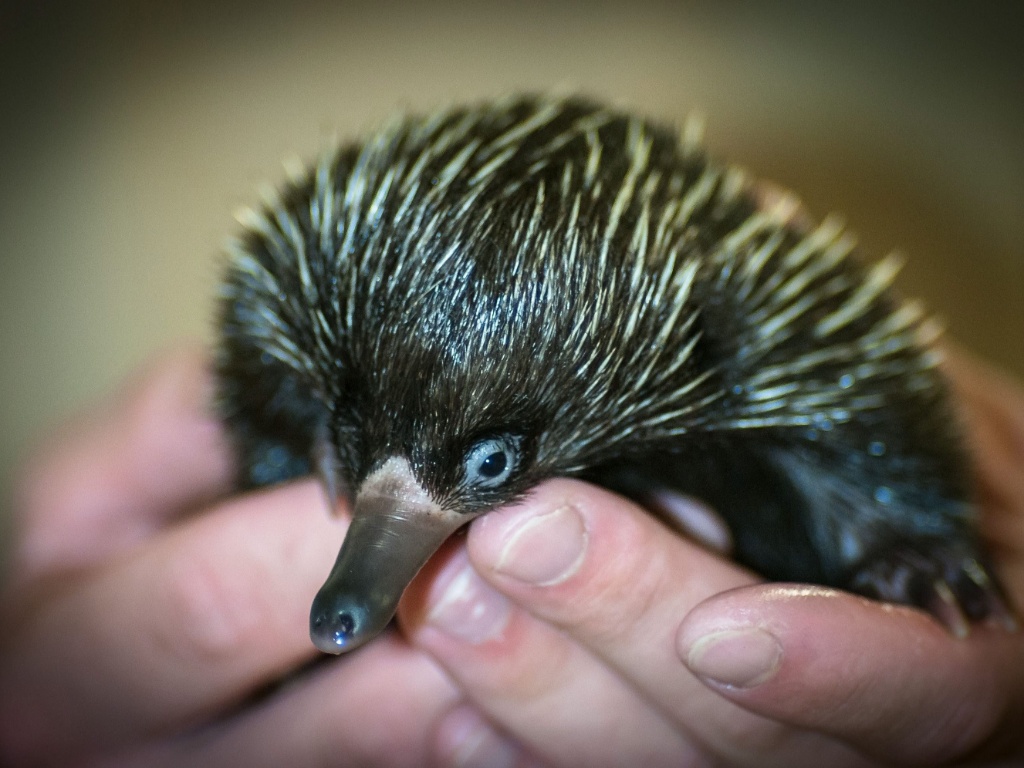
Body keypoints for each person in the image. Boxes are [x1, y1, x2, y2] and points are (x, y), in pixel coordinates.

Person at [1, 344, 1022, 767]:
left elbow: (867, 413)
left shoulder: (750, 343)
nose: (346, 595)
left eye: (484, 459)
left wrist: (904, 532)